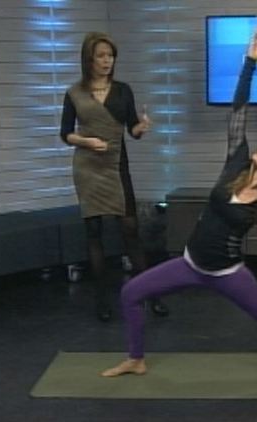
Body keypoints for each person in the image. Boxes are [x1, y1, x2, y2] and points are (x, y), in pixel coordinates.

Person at [101, 27, 257, 391]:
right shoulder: (238, 161)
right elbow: (238, 111)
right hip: (189, 263)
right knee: (130, 293)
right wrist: (250, 63)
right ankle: (136, 359)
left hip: (228, 273)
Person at [60, 32, 169, 322]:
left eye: (110, 56)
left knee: (130, 230)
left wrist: (141, 127)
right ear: (89, 59)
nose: (107, 61)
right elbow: (65, 133)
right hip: (87, 167)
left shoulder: (123, 90)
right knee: (94, 234)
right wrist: (86, 141)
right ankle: (101, 301)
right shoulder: (74, 93)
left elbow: (132, 128)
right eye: (101, 56)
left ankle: (151, 295)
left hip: (117, 164)